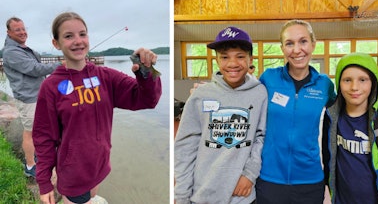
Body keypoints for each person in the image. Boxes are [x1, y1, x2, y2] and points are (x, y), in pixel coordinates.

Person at [32, 12, 162, 204]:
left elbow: (146, 100)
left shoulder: (105, 76)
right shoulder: (51, 86)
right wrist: (44, 182)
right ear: (56, 44)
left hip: (99, 164)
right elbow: (44, 137)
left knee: (92, 196)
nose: (78, 41)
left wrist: (146, 72)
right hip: (73, 173)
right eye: (68, 36)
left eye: (82, 34)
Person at [174, 26, 268, 204]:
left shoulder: (260, 93)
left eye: (240, 56)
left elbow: (261, 137)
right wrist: (181, 195)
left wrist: (250, 173)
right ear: (216, 59)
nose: (232, 63)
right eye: (224, 57)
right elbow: (185, 146)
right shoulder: (200, 95)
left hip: (242, 196)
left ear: (250, 59)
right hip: (202, 195)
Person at [256, 19, 336, 204]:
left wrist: (373, 100)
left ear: (313, 44)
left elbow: (344, 105)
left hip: (309, 179)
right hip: (270, 177)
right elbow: (243, 96)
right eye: (289, 43)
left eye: (303, 41)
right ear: (283, 48)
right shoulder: (269, 78)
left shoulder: (324, 84)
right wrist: (212, 92)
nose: (297, 49)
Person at [325, 53, 378, 203]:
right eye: (347, 80)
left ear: (373, 82)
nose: (354, 87)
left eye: (362, 80)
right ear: (339, 83)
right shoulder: (330, 118)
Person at [1, 17, 61, 178]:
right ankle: (29, 166)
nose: (22, 32)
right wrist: (61, 65)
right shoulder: (11, 52)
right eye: (17, 30)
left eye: (23, 28)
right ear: (9, 33)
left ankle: (35, 157)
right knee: (30, 132)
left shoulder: (21, 48)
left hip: (36, 95)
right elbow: (34, 69)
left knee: (38, 130)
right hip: (28, 98)